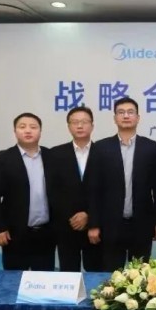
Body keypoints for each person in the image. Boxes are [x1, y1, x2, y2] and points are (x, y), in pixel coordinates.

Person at [87, 97, 156, 270]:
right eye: (121, 112)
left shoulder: (150, 147)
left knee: (141, 277)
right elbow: (94, 189)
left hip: (142, 225)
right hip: (110, 225)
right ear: (115, 118)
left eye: (130, 112)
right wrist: (94, 224)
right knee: (111, 276)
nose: (126, 116)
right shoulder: (101, 148)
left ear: (138, 117)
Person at [0, 112, 55, 271]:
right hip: (15, 234)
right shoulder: (2, 159)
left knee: (44, 279)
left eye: (33, 127)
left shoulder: (51, 156)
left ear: (40, 131)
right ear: (15, 131)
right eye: (22, 127)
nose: (28, 130)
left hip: (46, 234)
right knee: (14, 281)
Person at [48, 106, 101, 272]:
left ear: (92, 125)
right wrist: (72, 216)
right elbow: (52, 191)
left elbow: (108, 191)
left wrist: (90, 216)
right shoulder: (55, 154)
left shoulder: (104, 152)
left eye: (84, 122)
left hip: (96, 227)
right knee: (68, 274)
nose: (80, 126)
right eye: (75, 122)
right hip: (66, 226)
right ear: (68, 126)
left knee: (95, 275)